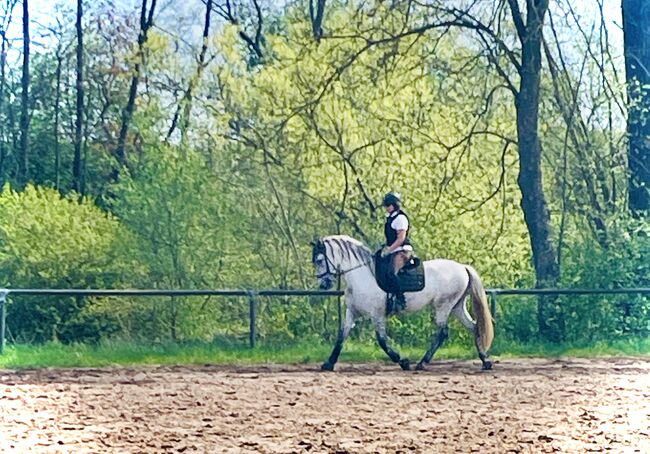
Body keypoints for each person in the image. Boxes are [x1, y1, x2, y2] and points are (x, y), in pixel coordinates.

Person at [380, 192, 413, 310]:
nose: (386, 208)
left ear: (395, 205)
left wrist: (388, 250)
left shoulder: (400, 219)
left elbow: (400, 239)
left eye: (388, 205)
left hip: (402, 251)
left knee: (391, 272)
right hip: (393, 250)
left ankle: (401, 299)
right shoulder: (390, 218)